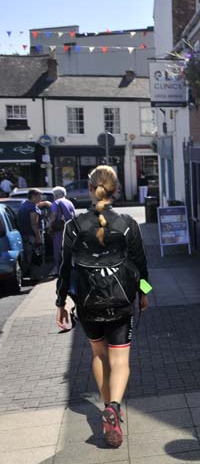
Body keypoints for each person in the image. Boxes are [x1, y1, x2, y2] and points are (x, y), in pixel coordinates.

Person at [55, 166, 149, 448]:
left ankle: (108, 406)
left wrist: (60, 302)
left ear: (88, 187)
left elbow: (64, 269)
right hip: (121, 301)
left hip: (87, 303)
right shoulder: (128, 224)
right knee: (120, 359)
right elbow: (141, 265)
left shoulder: (73, 226)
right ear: (116, 189)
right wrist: (144, 293)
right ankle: (115, 407)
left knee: (99, 354)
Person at [17, 189, 45, 279]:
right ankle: (34, 276)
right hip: (31, 236)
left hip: (24, 235)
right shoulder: (32, 208)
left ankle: (24, 275)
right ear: (34, 196)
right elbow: (34, 223)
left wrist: (45, 203)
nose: (41, 198)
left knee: (27, 256)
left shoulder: (23, 205)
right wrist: (38, 237)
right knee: (35, 256)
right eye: (39, 196)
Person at [49, 186, 76, 277]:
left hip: (59, 230)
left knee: (58, 250)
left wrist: (50, 226)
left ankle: (60, 269)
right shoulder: (70, 202)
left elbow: (54, 215)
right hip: (70, 229)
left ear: (56, 195)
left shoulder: (56, 203)